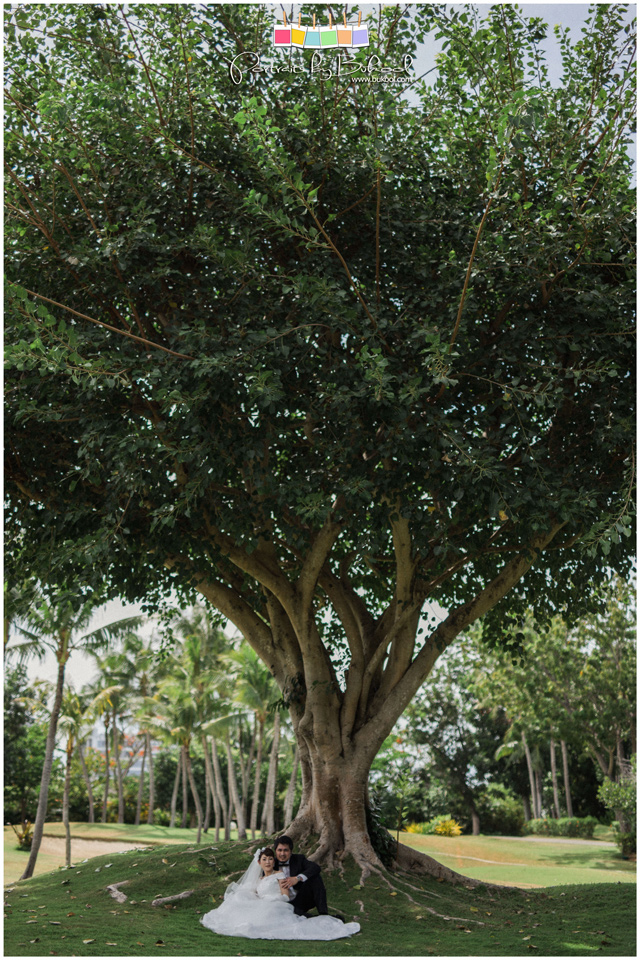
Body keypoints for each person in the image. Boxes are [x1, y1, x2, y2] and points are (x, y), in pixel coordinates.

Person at [200, 846, 360, 941]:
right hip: (262, 903)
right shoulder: (258, 880)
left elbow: (285, 896)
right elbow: (254, 893)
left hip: (277, 904)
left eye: (270, 859)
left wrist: (272, 899)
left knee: (267, 913)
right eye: (265, 859)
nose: (268, 862)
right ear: (259, 862)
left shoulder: (279, 875)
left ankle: (323, 917)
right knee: (240, 898)